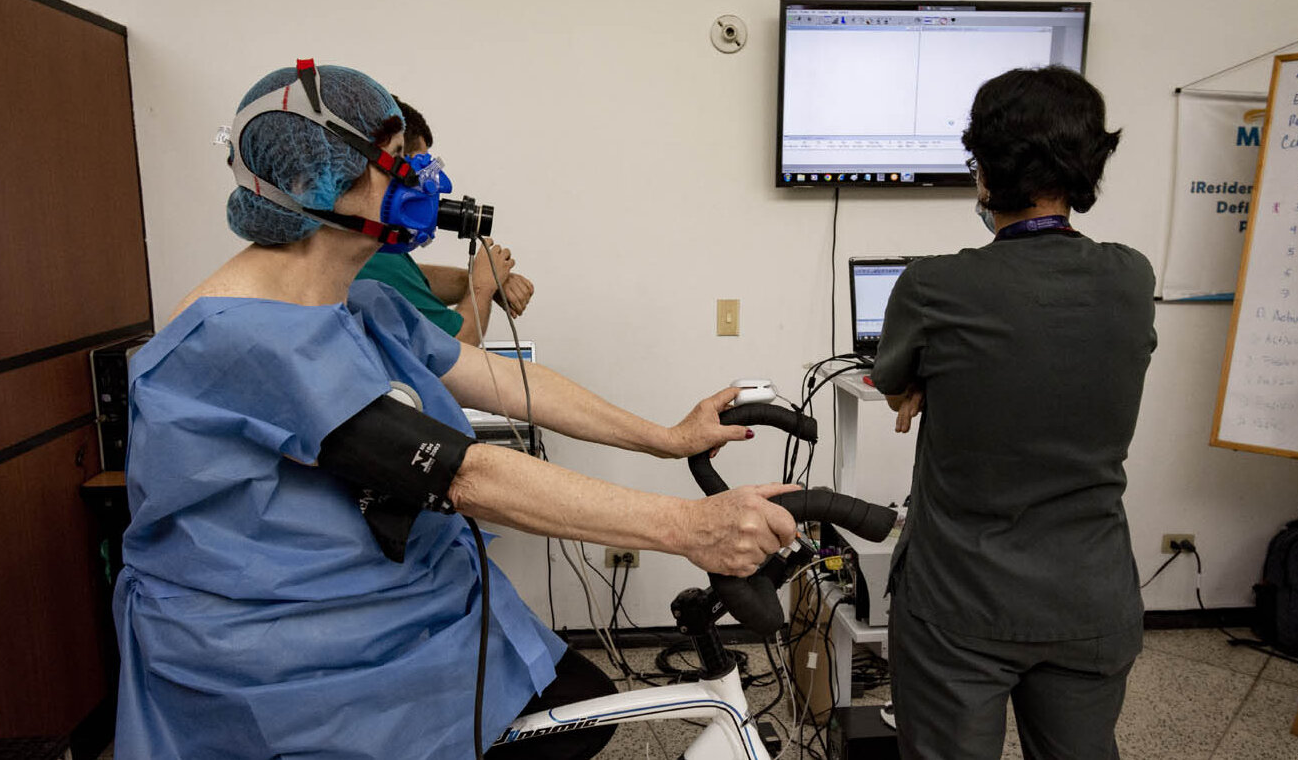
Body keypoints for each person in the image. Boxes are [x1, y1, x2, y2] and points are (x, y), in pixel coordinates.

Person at [113, 63, 796, 760]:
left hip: (381, 606)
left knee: (577, 708)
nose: (427, 178)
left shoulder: (358, 304)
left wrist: (666, 438)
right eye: (405, 160)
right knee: (562, 727)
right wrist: (689, 527)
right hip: (288, 654)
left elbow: (498, 378)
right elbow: (464, 476)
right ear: (329, 186)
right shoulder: (235, 341)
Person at [872, 66, 1156, 760]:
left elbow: (890, 380)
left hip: (960, 605)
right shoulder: (1130, 275)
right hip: (1091, 598)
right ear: (1088, 167)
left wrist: (929, 382)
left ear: (983, 171)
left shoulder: (934, 285)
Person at [355, 98, 534, 345]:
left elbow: (408, 281)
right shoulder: (366, 248)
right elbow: (459, 346)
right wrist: (481, 288)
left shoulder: (375, 246)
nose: (427, 187)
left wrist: (477, 279)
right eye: (417, 167)